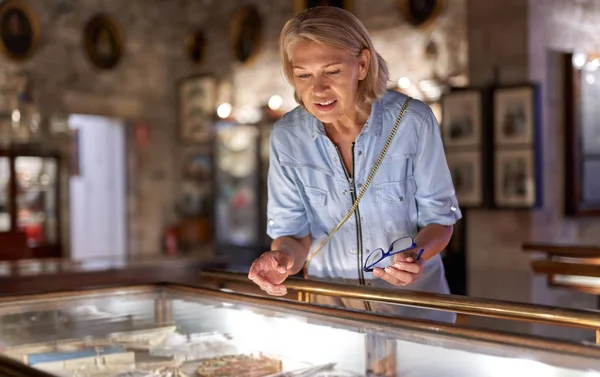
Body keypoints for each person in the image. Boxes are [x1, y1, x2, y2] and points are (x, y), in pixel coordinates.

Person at [247, 6, 462, 323]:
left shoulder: (412, 121)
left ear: (362, 64)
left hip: (411, 309)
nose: (317, 90)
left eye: (331, 71)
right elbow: (292, 235)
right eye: (303, 75)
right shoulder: (287, 136)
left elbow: (440, 221)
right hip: (331, 313)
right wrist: (280, 259)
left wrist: (415, 255)